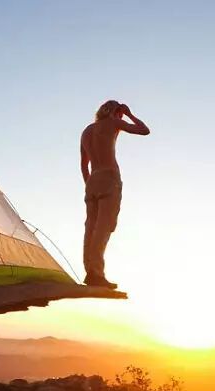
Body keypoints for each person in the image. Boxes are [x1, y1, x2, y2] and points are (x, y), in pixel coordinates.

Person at [80, 100, 150, 288]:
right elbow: (144, 130)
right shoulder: (113, 122)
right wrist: (129, 114)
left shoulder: (87, 131)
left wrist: (89, 185)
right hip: (109, 177)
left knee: (90, 227)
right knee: (104, 226)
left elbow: (84, 165)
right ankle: (96, 273)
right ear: (116, 112)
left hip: (93, 180)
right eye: (120, 112)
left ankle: (90, 271)